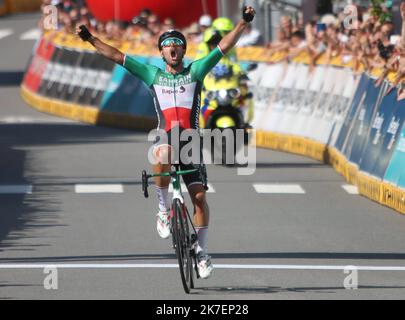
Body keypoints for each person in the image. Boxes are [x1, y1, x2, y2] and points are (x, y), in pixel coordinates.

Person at [76, 6, 256, 280]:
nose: (172, 47)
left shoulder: (196, 71)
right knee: (163, 151)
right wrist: (90, 38)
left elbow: (223, 46)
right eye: (167, 45)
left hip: (191, 141)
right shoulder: (152, 74)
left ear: (183, 51)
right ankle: (163, 210)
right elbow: (116, 55)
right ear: (161, 53)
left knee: (199, 198)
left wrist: (243, 22)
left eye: (177, 44)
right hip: (165, 136)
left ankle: (203, 253)